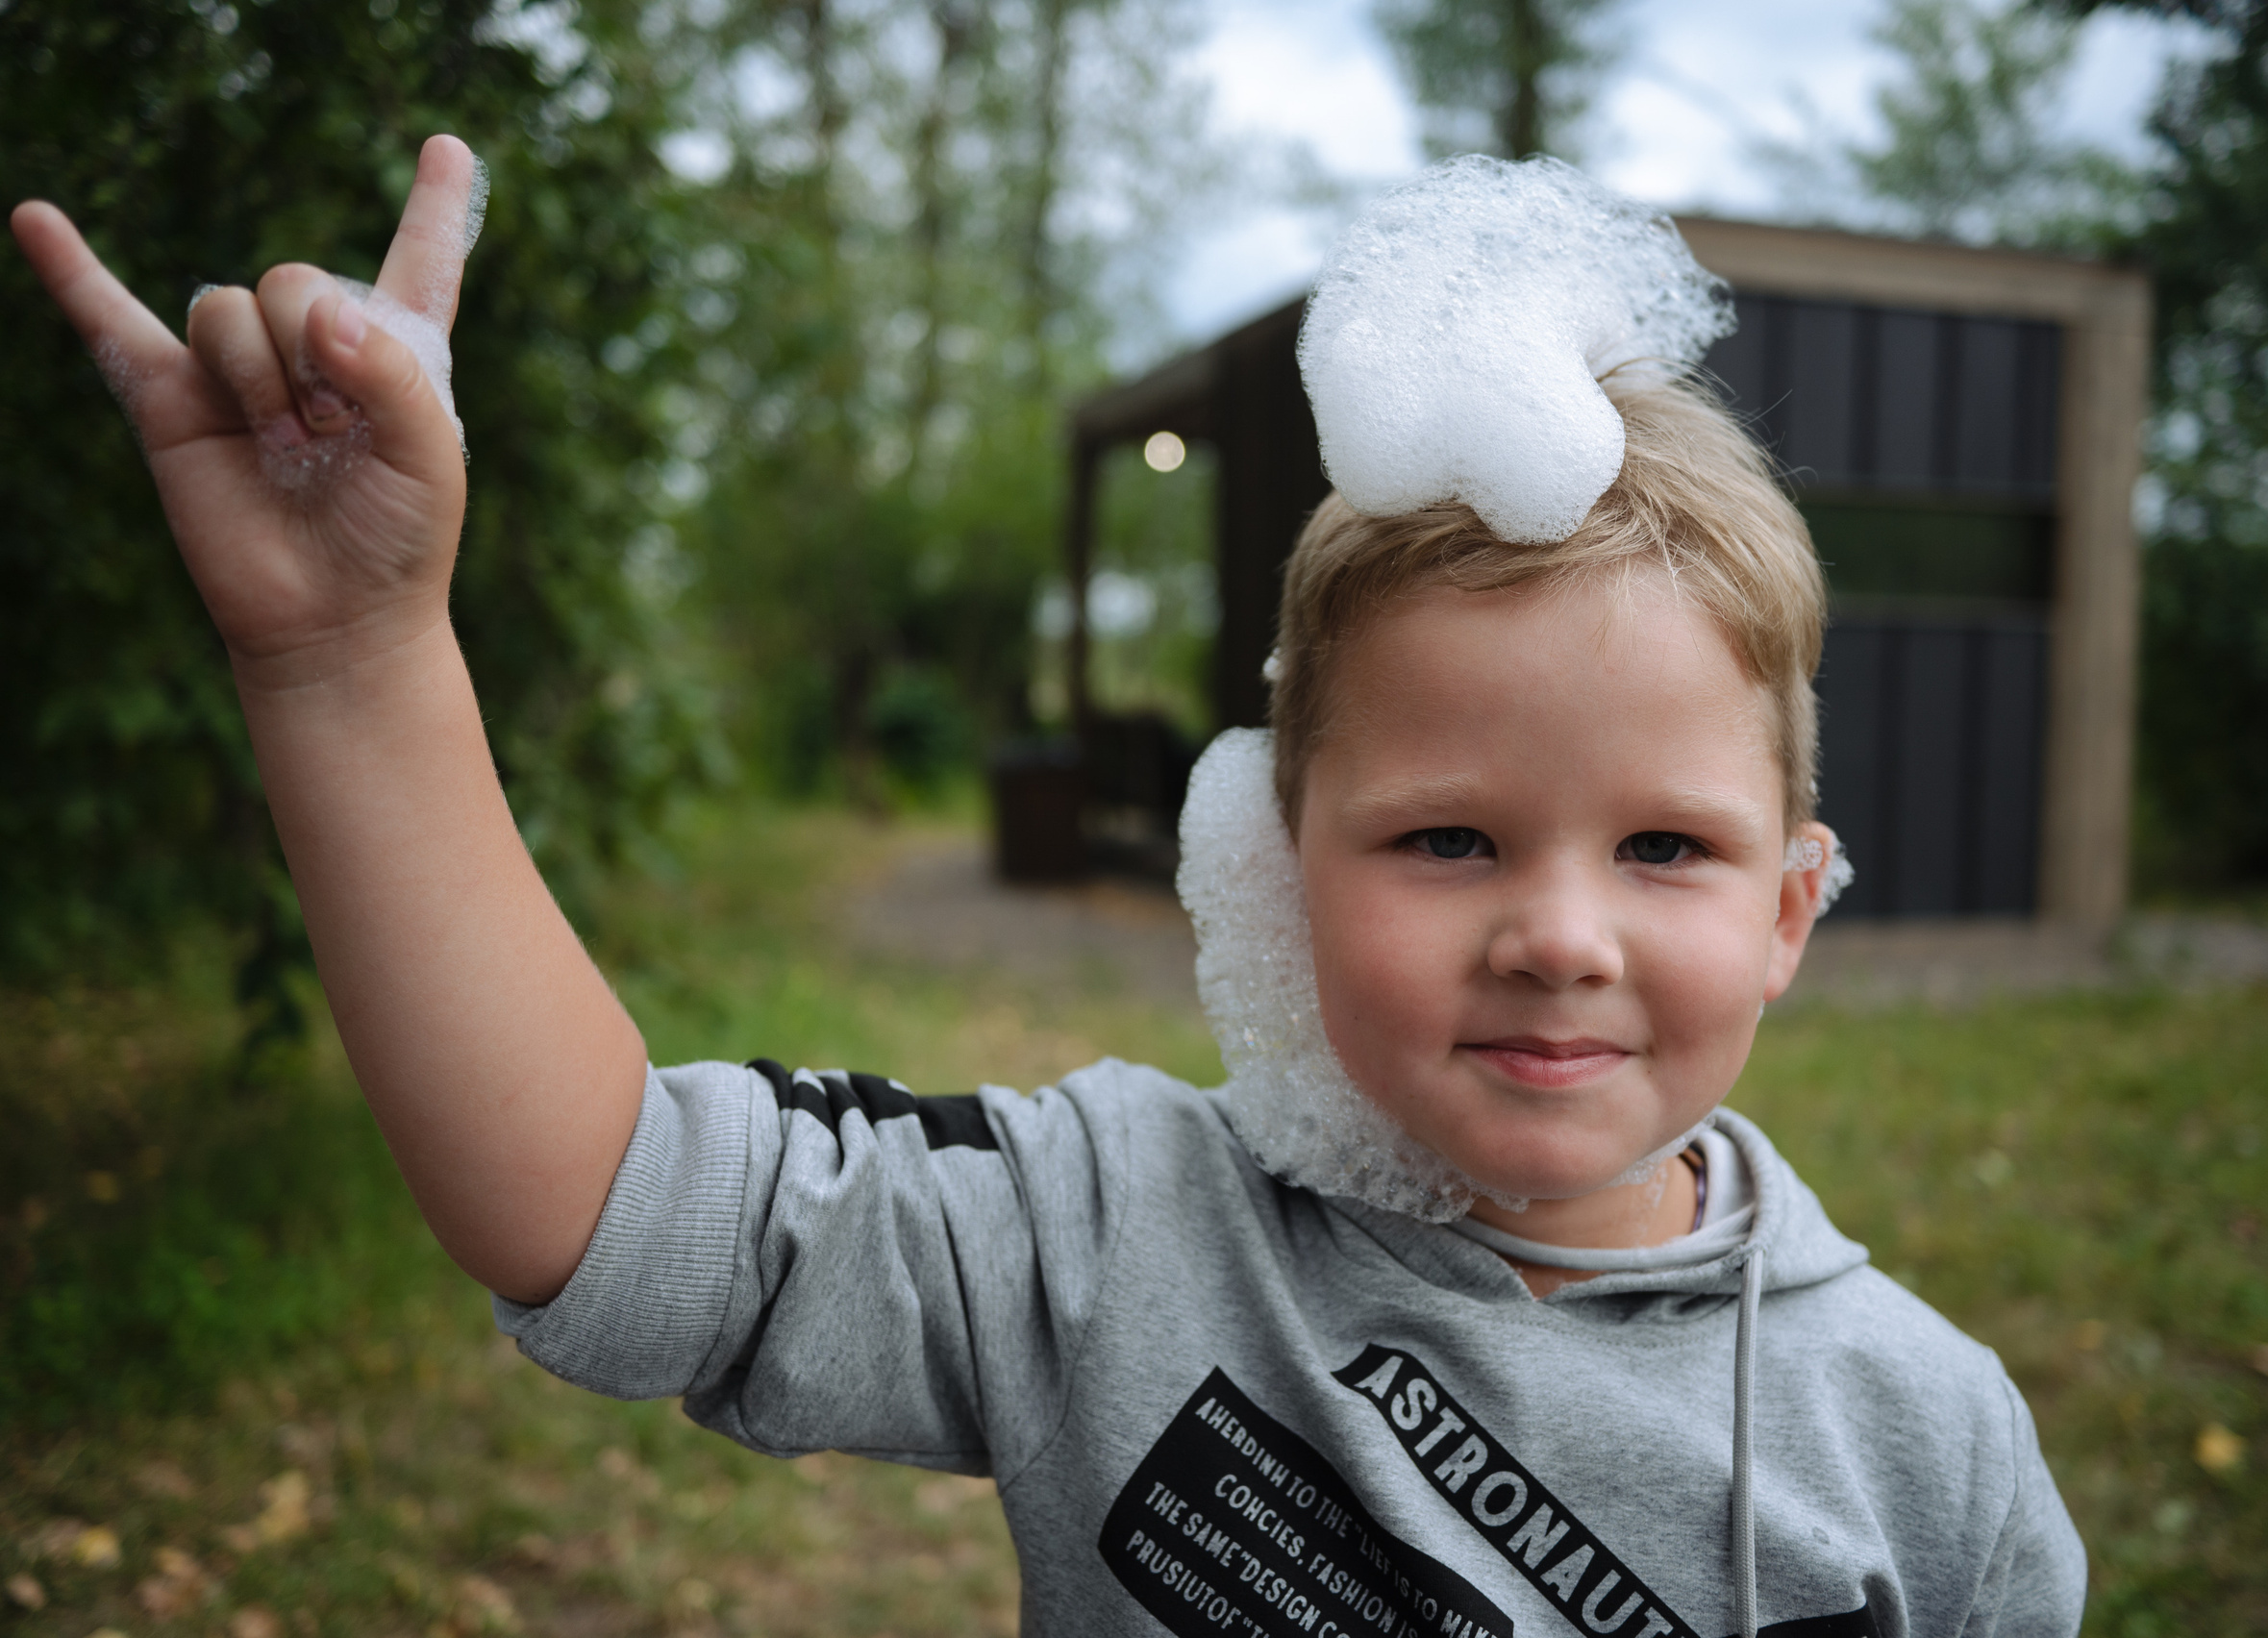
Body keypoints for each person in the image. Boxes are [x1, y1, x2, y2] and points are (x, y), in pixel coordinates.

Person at [13, 135, 2084, 1638]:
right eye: (1445, 837)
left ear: (1793, 906)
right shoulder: (1107, 1237)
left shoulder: (1928, 1452)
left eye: (1665, 849)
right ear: (1279, 864)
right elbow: (610, 1209)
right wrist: (353, 661)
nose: (1556, 930)